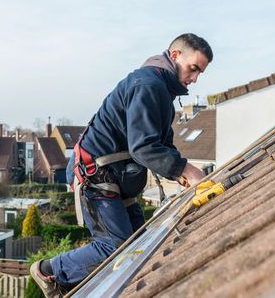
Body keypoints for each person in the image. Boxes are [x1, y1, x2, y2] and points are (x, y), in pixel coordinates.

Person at [30, 33, 213, 297]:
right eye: (193, 68)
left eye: (200, 73)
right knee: (117, 248)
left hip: (117, 177)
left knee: (140, 245)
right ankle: (50, 271)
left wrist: (180, 175)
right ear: (175, 56)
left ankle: (76, 284)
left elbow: (162, 145)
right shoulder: (147, 86)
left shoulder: (161, 93)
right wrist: (187, 170)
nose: (195, 78)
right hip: (96, 176)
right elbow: (143, 147)